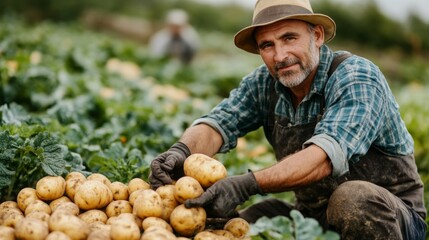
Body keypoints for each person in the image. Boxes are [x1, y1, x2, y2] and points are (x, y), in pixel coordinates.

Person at [149, 0, 427, 239]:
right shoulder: (264, 84)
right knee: (229, 224)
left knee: (352, 199)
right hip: (311, 216)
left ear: (317, 36)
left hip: (392, 218)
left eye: (289, 38)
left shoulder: (356, 76)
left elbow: (325, 157)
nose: (280, 55)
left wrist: (246, 183)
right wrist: (181, 151)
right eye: (267, 45)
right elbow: (219, 123)